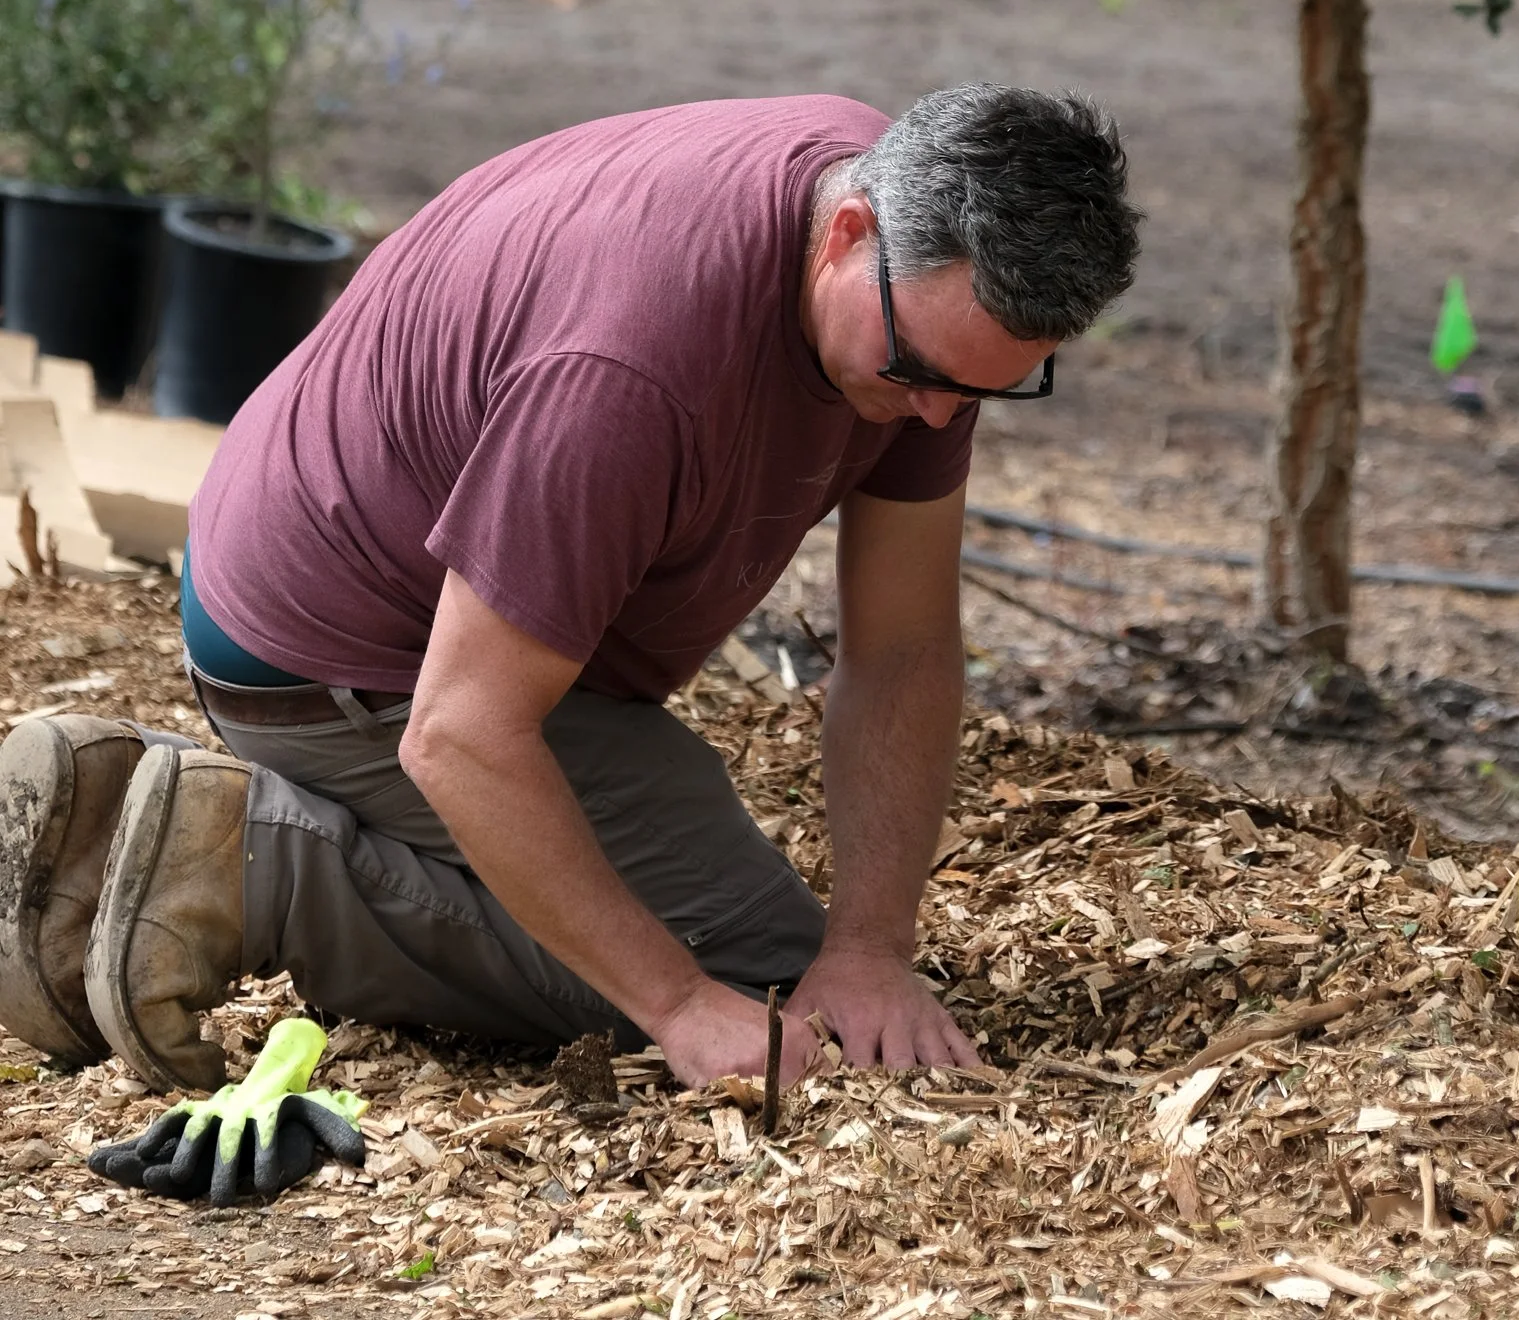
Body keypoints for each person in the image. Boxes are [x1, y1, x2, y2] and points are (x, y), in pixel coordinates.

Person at [0, 86, 1139, 1096]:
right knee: (747, 981)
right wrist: (684, 1010)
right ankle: (250, 860)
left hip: (395, 584)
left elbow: (900, 649)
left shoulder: (897, 252)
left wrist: (874, 949)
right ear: (848, 234)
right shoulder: (633, 371)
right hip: (329, 652)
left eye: (992, 387)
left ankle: (262, 843)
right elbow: (462, 731)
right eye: (919, 375)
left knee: (824, 981)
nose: (940, 416)